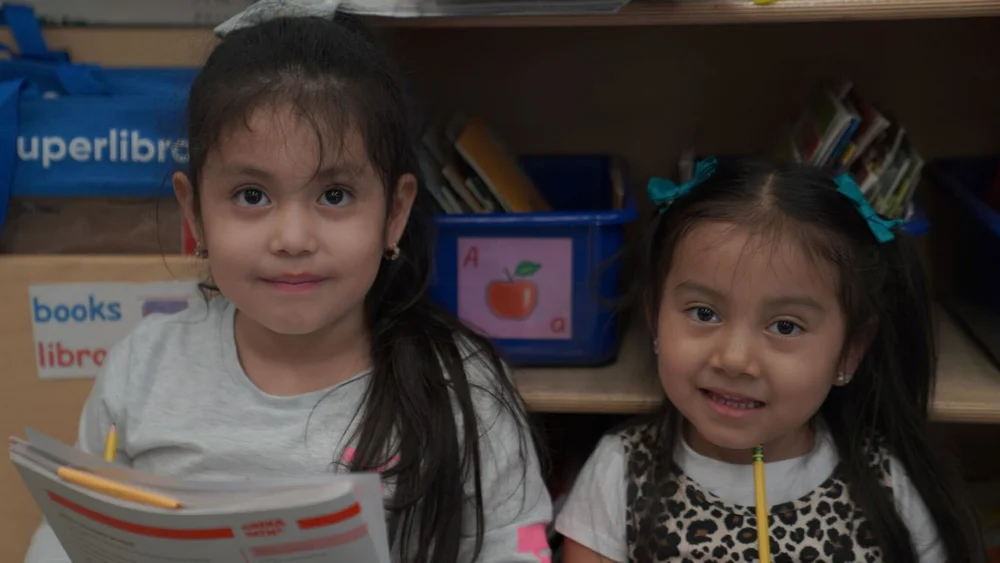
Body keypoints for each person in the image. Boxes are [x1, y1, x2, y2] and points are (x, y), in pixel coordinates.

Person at [25, 14, 551, 563]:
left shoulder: (461, 385)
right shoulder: (144, 371)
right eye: (252, 196)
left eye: (335, 195)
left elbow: (517, 545)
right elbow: (68, 533)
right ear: (195, 214)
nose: (294, 239)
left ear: (394, 213)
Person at [555, 157, 985, 562]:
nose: (736, 359)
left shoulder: (888, 486)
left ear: (851, 349)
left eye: (785, 326)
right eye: (704, 313)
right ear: (654, 319)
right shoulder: (620, 472)